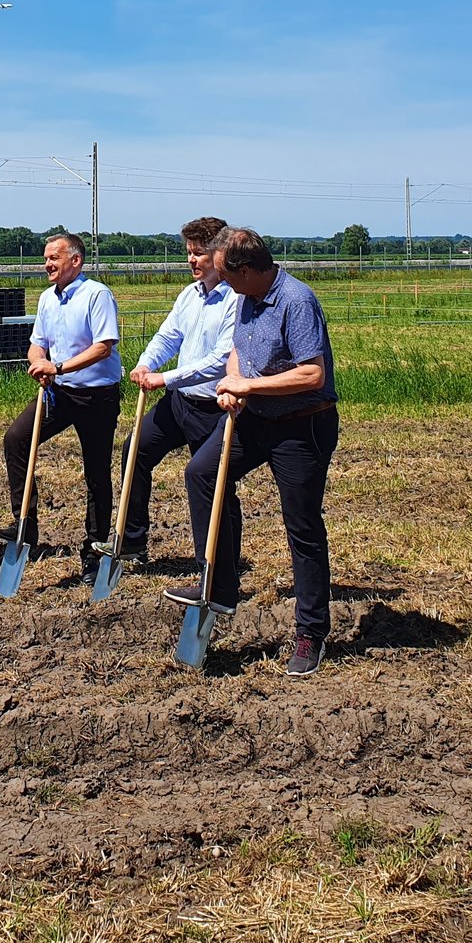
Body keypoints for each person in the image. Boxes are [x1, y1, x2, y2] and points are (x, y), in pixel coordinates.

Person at [166, 227, 339, 677]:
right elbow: (240, 353)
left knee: (301, 524)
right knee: (201, 473)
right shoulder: (244, 296)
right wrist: (233, 385)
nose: (221, 285)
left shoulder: (297, 301)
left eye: (226, 275)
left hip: (302, 426)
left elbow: (312, 375)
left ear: (246, 270)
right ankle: (219, 584)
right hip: (254, 418)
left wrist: (249, 385)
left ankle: (310, 632)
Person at [95, 215, 237, 565]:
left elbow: (221, 360)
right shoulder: (189, 295)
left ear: (219, 254)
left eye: (199, 253)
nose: (191, 260)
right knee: (135, 450)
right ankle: (130, 543)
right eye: (188, 252)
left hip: (214, 407)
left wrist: (166, 378)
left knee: (215, 484)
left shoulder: (236, 298)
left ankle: (222, 563)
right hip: (178, 404)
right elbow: (168, 336)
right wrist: (146, 364)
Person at [0, 233, 121, 585]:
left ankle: (94, 553)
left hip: (96, 396)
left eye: (54, 257)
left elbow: (104, 347)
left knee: (96, 473)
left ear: (75, 261)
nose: (47, 264)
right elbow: (38, 344)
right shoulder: (48, 298)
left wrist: (59, 367)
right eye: (46, 258)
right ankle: (25, 523)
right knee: (16, 439)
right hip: (58, 394)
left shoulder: (97, 295)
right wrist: (38, 362)